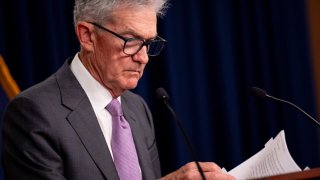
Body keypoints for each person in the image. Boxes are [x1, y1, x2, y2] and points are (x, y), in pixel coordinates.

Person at [2, 0, 235, 179]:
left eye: (149, 43)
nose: (143, 58)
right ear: (87, 36)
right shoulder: (33, 113)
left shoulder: (137, 108)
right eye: (131, 40)